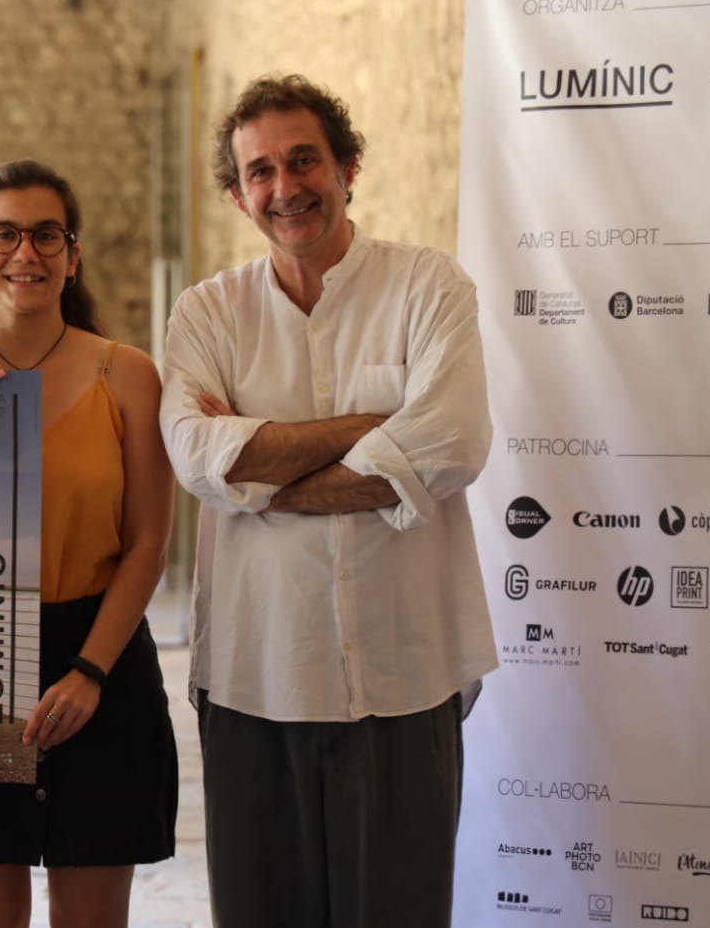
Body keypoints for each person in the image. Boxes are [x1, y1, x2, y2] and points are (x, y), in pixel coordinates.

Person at [160, 73, 497, 927]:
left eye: (303, 159)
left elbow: (452, 442)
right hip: (253, 678)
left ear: (347, 168)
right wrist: (375, 430)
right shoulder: (204, 316)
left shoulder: (429, 289)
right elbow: (199, 460)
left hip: (404, 676)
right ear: (238, 196)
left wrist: (260, 472)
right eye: (260, 172)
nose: (285, 187)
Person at [0, 159, 178, 928]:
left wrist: (89, 671)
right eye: (5, 233)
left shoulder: (128, 376)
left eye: (46, 234)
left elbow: (149, 542)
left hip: (100, 657)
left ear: (72, 253)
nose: (27, 252)